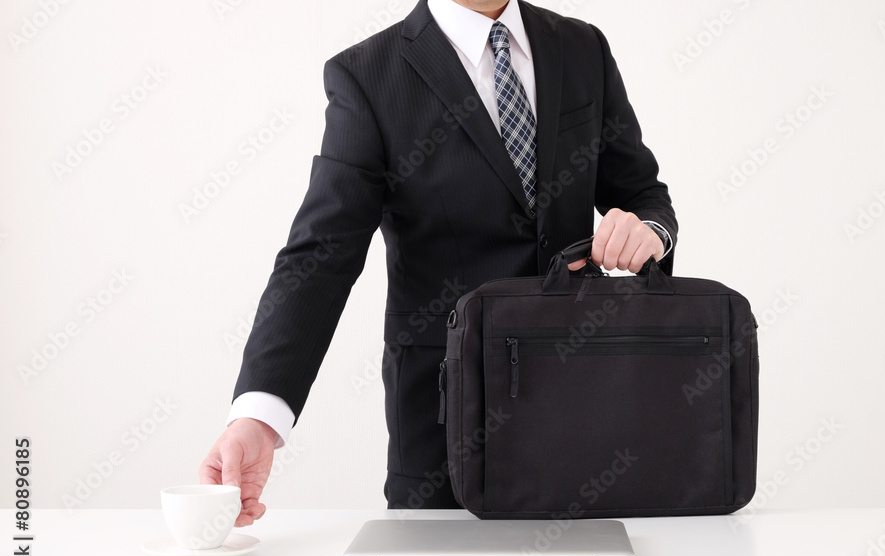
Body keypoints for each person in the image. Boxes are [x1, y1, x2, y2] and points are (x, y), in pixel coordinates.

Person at [198, 0, 678, 527]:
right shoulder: (368, 76)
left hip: (582, 404)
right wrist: (258, 417)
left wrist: (648, 231)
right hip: (444, 425)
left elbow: (641, 193)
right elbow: (321, 254)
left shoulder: (583, 47)